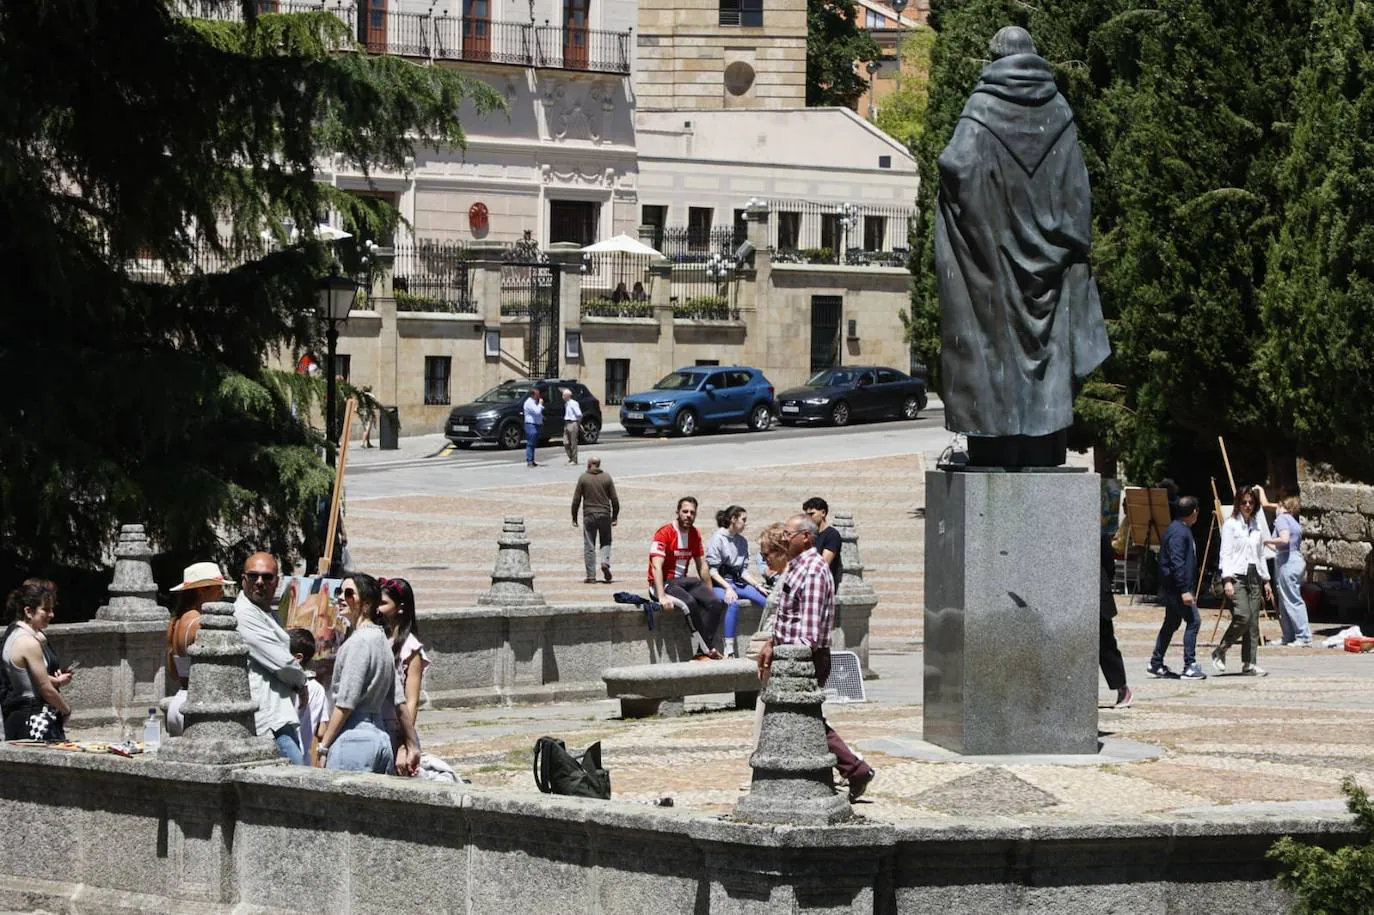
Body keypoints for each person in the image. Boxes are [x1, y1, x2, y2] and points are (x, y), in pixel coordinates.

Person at [934, 26, 1110, 467]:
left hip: (994, 262)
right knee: (1047, 355)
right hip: (1051, 263)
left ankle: (994, 444)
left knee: (992, 347)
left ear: (994, 58)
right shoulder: (1060, 112)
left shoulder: (982, 108)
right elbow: (1077, 193)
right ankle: (1046, 446)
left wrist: (985, 234)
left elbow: (959, 168)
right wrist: (1054, 240)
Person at [757, 514, 875, 801]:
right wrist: (772, 642)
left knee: (803, 719)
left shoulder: (811, 571)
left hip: (804, 660)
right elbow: (789, 618)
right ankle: (835, 772)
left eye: (788, 534)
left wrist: (789, 660)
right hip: (790, 657)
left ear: (806, 537)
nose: (784, 538)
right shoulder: (797, 567)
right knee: (801, 719)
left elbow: (807, 634)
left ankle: (854, 769)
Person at [316, 573, 419, 774]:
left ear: (365, 605)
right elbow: (399, 700)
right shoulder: (381, 639)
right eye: (339, 592)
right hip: (380, 738)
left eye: (348, 593)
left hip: (354, 738)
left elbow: (346, 703)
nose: (340, 597)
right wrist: (412, 744)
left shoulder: (359, 642)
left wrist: (323, 746)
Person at [233, 552, 308, 764]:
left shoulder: (267, 613)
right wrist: (302, 683)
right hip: (268, 722)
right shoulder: (244, 613)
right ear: (243, 579)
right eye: (253, 576)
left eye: (267, 577)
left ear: (277, 581)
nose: (259, 582)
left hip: (279, 717)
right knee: (297, 785)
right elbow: (283, 663)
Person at [647, 497, 727, 660]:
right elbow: (656, 566)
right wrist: (661, 596)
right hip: (662, 584)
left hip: (682, 583)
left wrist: (708, 592)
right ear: (678, 513)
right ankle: (708, 650)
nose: (688, 515)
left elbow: (702, 565)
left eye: (692, 512)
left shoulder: (695, 533)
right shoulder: (664, 533)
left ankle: (701, 650)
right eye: (685, 511)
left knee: (716, 603)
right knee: (689, 603)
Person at [1213, 487, 1274, 676]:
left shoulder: (1256, 525)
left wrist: (1266, 580)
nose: (1247, 506)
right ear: (1238, 504)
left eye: (1251, 502)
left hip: (1254, 573)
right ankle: (1221, 649)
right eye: (1244, 502)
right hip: (1237, 575)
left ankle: (1249, 662)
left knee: (1254, 621)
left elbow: (1260, 554)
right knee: (1243, 616)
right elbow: (1226, 553)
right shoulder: (1231, 525)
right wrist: (1228, 580)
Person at [2, 579, 72, 741]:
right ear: (28, 611)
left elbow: (29, 677)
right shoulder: (29, 642)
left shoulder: (12, 635)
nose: (51, 615)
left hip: (18, 717)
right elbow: (45, 689)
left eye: (52, 609)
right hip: (34, 718)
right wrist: (65, 709)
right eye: (45, 610)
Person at [1148, 497, 1207, 680]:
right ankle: (1189, 665)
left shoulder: (1177, 529)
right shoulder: (1179, 532)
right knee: (1193, 621)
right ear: (1194, 512)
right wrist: (1184, 590)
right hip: (1177, 589)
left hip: (1173, 588)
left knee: (1171, 623)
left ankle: (1156, 662)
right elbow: (1177, 562)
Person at [165, 561, 227, 736]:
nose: (222, 592)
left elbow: (174, 673)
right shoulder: (199, 623)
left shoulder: (176, 623)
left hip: (178, 701)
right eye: (218, 587)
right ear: (202, 590)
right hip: (196, 704)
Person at [706, 505, 771, 659]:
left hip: (737, 582)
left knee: (767, 601)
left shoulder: (742, 541)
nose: (745, 523)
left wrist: (757, 585)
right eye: (743, 519)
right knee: (732, 603)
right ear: (733, 519)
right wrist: (728, 588)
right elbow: (712, 571)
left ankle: (771, 639)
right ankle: (729, 649)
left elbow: (742, 571)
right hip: (719, 583)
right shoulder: (717, 539)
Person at [377, 577, 429, 745]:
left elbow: (411, 700)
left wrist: (405, 743)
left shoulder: (410, 647)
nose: (377, 608)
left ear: (400, 608)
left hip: (395, 729)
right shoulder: (377, 637)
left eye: (383, 603)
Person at [1267, 495, 1311, 647]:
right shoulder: (1292, 521)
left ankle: (1303, 636)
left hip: (1288, 561)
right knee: (1285, 599)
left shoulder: (1282, 519)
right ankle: (1289, 635)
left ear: (1281, 506)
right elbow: (1279, 545)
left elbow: (1284, 540)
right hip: (1293, 559)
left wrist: (1265, 540)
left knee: (1291, 599)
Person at [572, 456, 620, 583]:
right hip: (604, 513)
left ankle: (591, 576)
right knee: (606, 541)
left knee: (589, 545)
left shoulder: (583, 478)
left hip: (589, 514)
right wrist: (614, 516)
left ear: (589, 464)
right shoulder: (607, 477)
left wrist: (574, 517)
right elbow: (614, 499)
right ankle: (605, 562)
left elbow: (576, 499)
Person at [288, 627, 330, 764]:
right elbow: (322, 730)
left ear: (298, 658)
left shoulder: (285, 683)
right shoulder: (318, 689)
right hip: (303, 760)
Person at [1099, 534, 1131, 707]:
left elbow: (1109, 565)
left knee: (1106, 645)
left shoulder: (1100, 535)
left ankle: (1122, 687)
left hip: (1099, 594)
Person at [802, 497, 843, 589]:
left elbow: (823, 564)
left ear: (823, 513)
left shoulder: (832, 535)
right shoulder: (809, 535)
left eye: (812, 514)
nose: (808, 518)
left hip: (822, 586)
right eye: (806, 515)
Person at [522, 387, 544, 467]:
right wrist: (541, 404)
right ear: (533, 395)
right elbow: (537, 411)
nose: (539, 396)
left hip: (536, 424)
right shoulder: (529, 402)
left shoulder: (534, 402)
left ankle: (532, 460)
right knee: (530, 443)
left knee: (534, 443)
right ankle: (529, 461)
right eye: (537, 394)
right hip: (530, 425)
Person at [561, 388, 583, 465]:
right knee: (565, 442)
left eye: (564, 395)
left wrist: (578, 424)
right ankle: (571, 457)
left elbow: (579, 414)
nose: (562, 397)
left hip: (573, 423)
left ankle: (574, 460)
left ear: (568, 396)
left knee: (573, 443)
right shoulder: (566, 403)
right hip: (567, 423)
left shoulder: (573, 403)